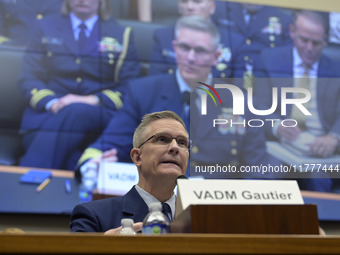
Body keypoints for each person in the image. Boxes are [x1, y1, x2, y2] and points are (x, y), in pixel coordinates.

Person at [77, 15, 278, 181]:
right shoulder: (143, 92)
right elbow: (108, 144)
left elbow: (258, 167)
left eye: (199, 50)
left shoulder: (240, 103)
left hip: (214, 211)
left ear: (216, 57)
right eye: (184, 48)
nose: (190, 57)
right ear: (174, 47)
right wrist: (91, 164)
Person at [17, 0, 140, 170]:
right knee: (72, 159)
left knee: (77, 109)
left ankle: (26, 180)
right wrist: (52, 103)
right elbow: (29, 77)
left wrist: (93, 99)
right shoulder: (44, 27)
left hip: (98, 116)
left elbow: (130, 86)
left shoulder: (121, 33)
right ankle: (79, 172)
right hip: (47, 116)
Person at [256, 10, 340, 192]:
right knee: (270, 174)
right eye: (304, 40)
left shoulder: (336, 69)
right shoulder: (269, 60)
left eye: (316, 43)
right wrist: (276, 125)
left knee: (319, 179)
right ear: (292, 31)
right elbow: (257, 104)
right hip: (279, 145)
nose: (309, 48)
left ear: (326, 40)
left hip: (319, 149)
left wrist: (334, 136)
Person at [70, 110, 190, 233]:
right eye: (162, 139)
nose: (175, 147)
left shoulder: (198, 218)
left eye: (182, 142)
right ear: (137, 157)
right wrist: (105, 247)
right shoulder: (93, 216)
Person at [148, 0, 242, 79]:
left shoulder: (234, 42)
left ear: (212, 7)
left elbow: (242, 91)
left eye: (197, 1)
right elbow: (155, 81)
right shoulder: (162, 36)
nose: (189, 7)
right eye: (184, 1)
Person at [212, 2, 291, 80]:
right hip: (225, 74)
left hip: (263, 77)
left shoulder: (283, 19)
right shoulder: (219, 9)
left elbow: (287, 56)